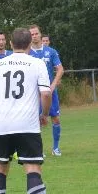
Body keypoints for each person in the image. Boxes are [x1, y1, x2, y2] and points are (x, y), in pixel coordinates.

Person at [0, 27, 60, 194]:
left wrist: (3, 104)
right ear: (29, 44)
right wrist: (44, 114)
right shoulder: (36, 63)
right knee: (32, 167)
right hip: (27, 124)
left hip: (2, 125)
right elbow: (46, 93)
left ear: (10, 44)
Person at [28, 25, 64, 156]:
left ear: (40, 34)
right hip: (34, 94)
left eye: (36, 33)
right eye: (32, 34)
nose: (34, 36)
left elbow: (60, 69)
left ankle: (56, 148)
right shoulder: (27, 53)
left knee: (56, 119)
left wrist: (53, 85)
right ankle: (39, 150)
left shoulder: (51, 51)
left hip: (49, 92)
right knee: (36, 122)